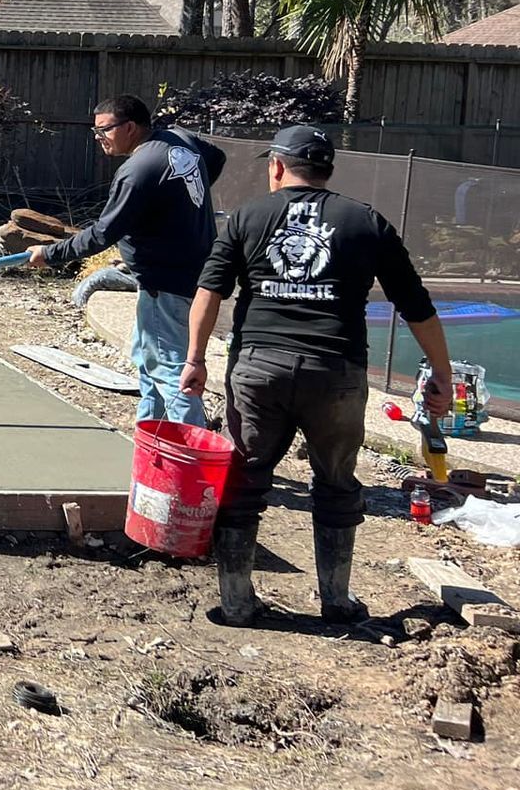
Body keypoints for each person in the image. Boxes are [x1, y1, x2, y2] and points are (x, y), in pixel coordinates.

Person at [180, 125, 450, 626]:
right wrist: (441, 372)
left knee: (244, 480)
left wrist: (195, 359)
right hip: (337, 372)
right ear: (325, 170)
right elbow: (416, 305)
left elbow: (208, 292)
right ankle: (336, 600)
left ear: (277, 166)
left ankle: (237, 603)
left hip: (260, 367)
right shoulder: (365, 221)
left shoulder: (247, 216)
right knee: (336, 482)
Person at [25, 94, 225, 425]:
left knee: (171, 370)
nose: (98, 137)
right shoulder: (180, 140)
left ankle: (192, 462)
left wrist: (50, 254)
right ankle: (153, 446)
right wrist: (175, 199)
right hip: (188, 272)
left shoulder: (137, 172)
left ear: (129, 127)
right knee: (151, 368)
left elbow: (103, 233)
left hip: (165, 283)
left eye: (104, 129)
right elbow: (215, 158)